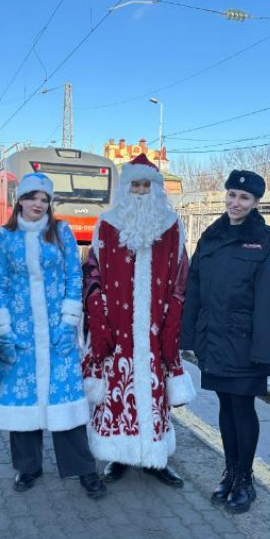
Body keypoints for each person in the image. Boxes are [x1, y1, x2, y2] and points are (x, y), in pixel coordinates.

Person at [0, 173, 106, 498]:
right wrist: (4, 329)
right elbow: (1, 284)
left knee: (66, 403)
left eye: (43, 199)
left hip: (57, 333)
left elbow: (72, 275)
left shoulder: (61, 231)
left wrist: (69, 321)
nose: (37, 204)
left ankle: (83, 470)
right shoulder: (6, 237)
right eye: (31, 197)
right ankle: (28, 467)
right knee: (23, 402)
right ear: (19, 200)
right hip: (21, 334)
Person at [82, 154, 195, 487]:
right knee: (115, 390)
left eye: (147, 185)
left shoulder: (172, 225)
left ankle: (155, 458)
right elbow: (94, 274)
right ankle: (119, 455)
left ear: (157, 189)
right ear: (126, 187)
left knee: (155, 392)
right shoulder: (106, 223)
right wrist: (100, 312)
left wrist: (173, 313)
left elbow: (180, 273)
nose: (142, 191)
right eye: (136, 184)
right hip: (117, 326)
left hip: (156, 326)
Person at [180, 170, 270, 514]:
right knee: (226, 408)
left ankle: (245, 478)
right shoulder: (211, 236)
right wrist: (188, 336)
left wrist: (263, 351)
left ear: (256, 203)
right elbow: (194, 287)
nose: (235, 203)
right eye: (231, 195)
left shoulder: (267, 240)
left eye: (243, 198)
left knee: (243, 408)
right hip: (214, 338)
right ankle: (230, 470)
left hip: (245, 342)